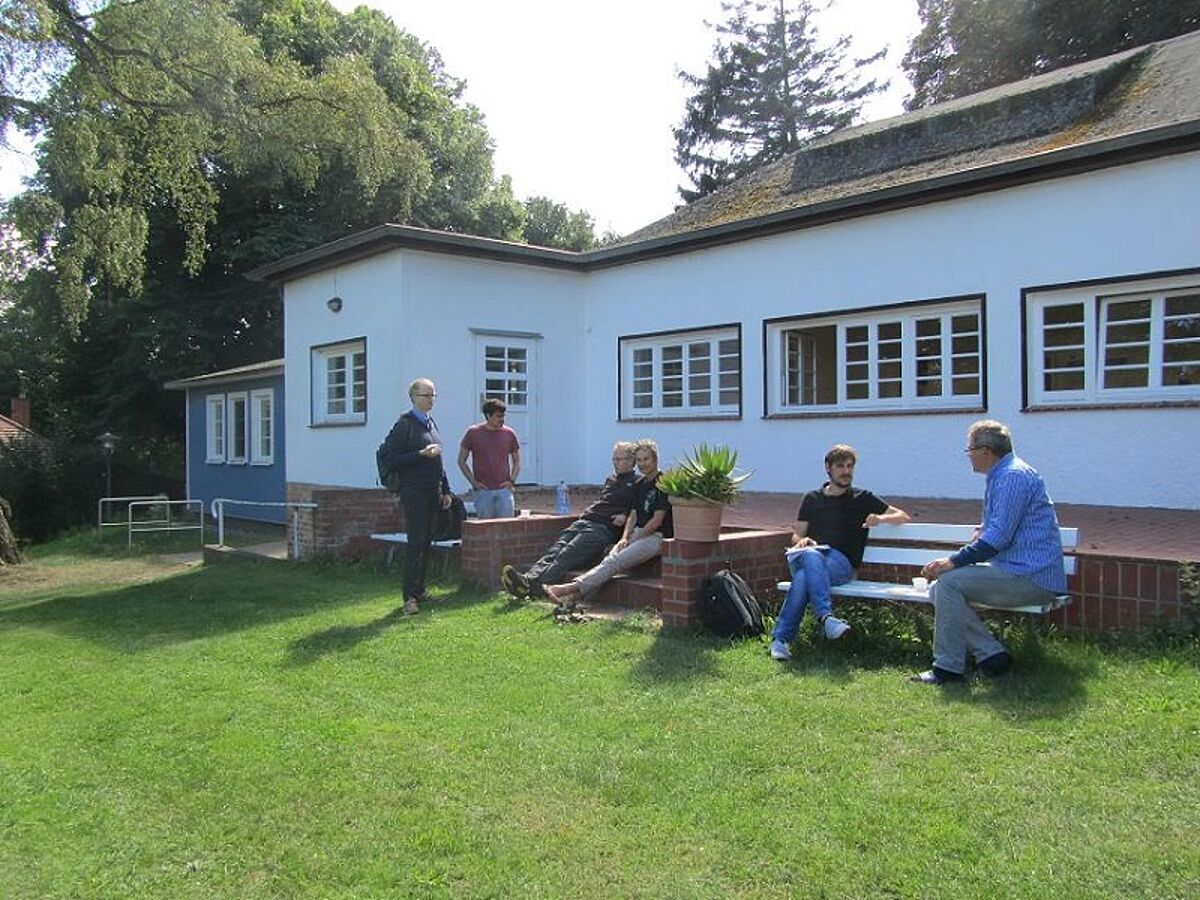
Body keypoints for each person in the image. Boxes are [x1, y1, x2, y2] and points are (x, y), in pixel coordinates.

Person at [912, 420, 1065, 685]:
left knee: (947, 583)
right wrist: (980, 534)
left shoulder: (1012, 477)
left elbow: (998, 538)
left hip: (1031, 577)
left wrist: (952, 561)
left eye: (969, 449)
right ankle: (992, 656)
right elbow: (994, 529)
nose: (968, 455)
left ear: (985, 451)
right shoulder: (1002, 475)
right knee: (939, 589)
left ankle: (947, 669)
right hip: (1015, 571)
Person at [769, 444, 909, 661]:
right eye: (841, 466)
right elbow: (796, 536)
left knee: (803, 578)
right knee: (811, 556)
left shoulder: (862, 498)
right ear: (828, 468)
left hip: (842, 564)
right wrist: (802, 541)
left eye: (850, 466)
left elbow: (902, 516)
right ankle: (826, 619)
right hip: (810, 556)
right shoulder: (812, 499)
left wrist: (881, 518)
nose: (846, 471)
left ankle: (781, 640)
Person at [543, 438, 672, 610]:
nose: (642, 464)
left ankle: (565, 589)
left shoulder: (663, 482)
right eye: (639, 460)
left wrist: (636, 538)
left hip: (656, 537)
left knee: (615, 561)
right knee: (610, 560)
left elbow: (657, 520)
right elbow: (633, 514)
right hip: (638, 533)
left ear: (656, 459)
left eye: (646, 459)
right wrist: (625, 538)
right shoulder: (640, 483)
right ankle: (574, 598)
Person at [500, 442, 638, 599]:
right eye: (614, 459)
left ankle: (534, 588)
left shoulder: (637, 482)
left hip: (603, 528)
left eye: (620, 459)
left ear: (631, 460)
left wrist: (625, 514)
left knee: (566, 555)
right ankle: (527, 579)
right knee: (555, 550)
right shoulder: (611, 479)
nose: (616, 463)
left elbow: (638, 508)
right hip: (586, 521)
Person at [378, 377, 452, 616]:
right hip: (414, 492)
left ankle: (420, 590)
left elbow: (439, 462)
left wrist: (446, 489)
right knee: (416, 542)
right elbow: (392, 459)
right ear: (413, 397)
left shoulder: (431, 424)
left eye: (433, 395)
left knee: (427, 541)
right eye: (426, 395)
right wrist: (420, 454)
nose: (431, 400)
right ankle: (409, 597)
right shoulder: (404, 425)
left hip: (433, 491)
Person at [457, 398, 521, 519]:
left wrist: (512, 481)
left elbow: (516, 460)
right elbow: (461, 461)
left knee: (507, 525)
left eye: (503, 416)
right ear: (488, 416)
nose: (502, 419)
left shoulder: (509, 433)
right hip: (483, 490)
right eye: (498, 416)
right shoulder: (473, 433)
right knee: (485, 526)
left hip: (504, 490)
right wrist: (474, 482)